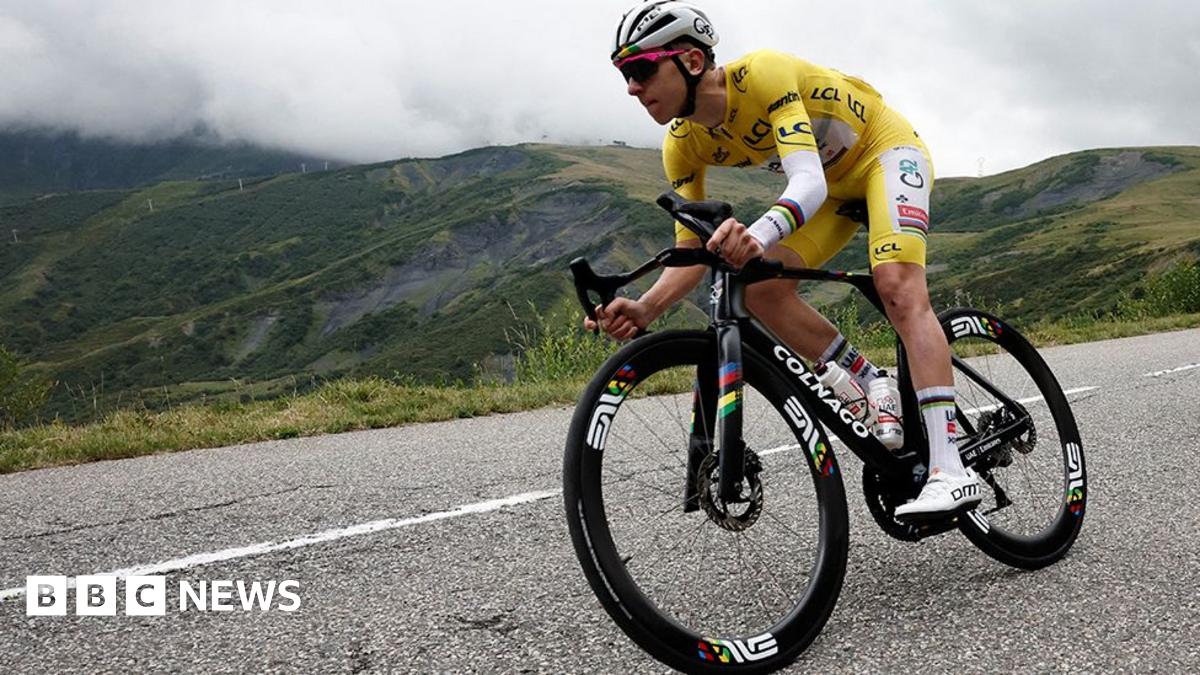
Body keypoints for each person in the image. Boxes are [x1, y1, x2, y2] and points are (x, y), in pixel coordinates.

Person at [587, 0, 981, 518]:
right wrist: (645, 308)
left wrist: (757, 233)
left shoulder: (764, 75)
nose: (632, 87)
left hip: (884, 153)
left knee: (898, 288)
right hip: (834, 191)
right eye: (624, 75)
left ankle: (951, 469)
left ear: (692, 61)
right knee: (760, 289)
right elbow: (690, 250)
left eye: (640, 69)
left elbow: (808, 180)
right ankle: (867, 380)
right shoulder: (681, 146)